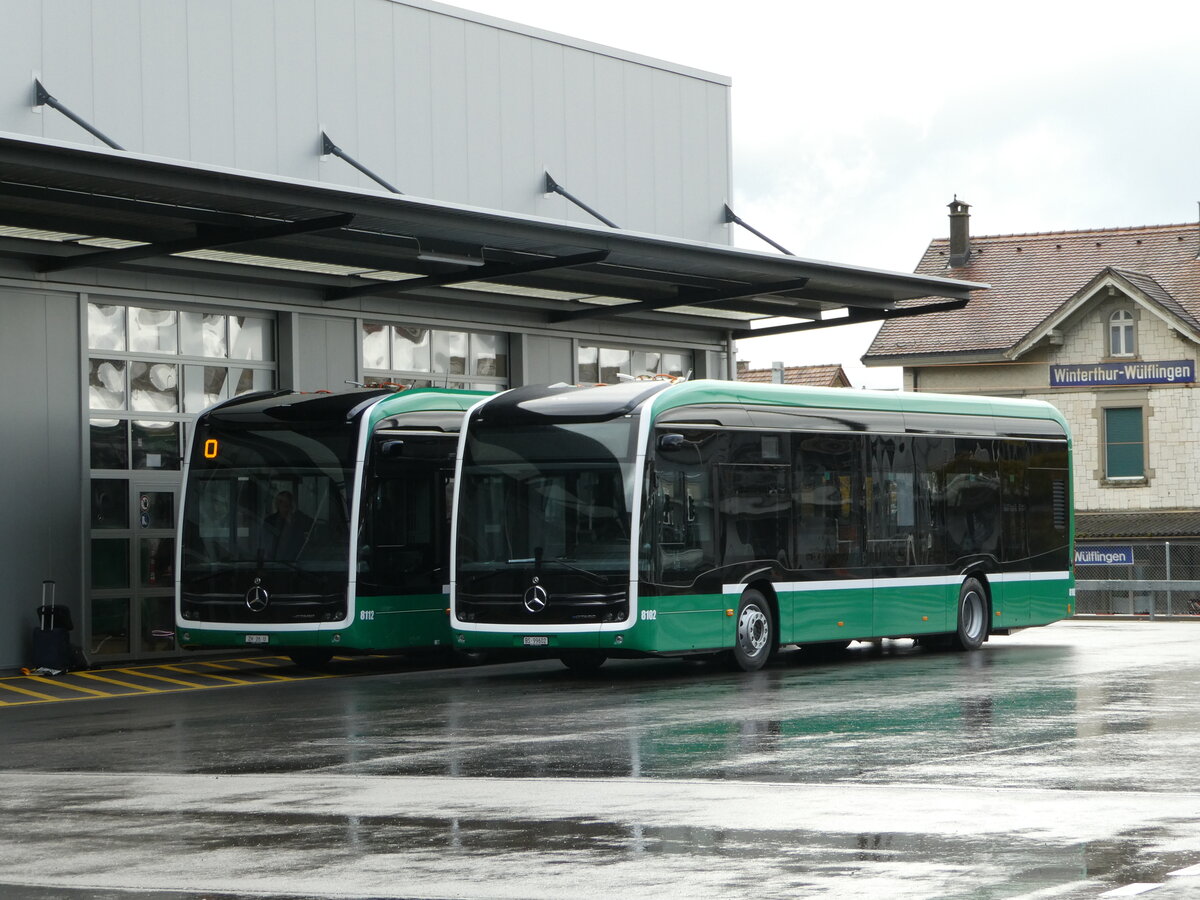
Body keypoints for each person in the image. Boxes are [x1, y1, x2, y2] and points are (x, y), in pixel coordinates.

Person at [261, 490, 313, 560]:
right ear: (277, 504)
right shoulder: (270, 521)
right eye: (281, 502)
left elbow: (313, 526)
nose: (285, 506)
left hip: (296, 562)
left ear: (291, 504)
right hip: (274, 561)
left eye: (287, 503)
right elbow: (264, 544)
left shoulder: (299, 519)